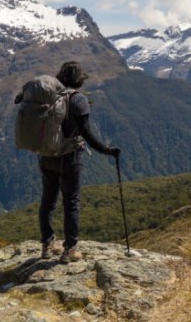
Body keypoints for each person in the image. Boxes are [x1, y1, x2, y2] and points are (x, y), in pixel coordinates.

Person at [37, 61, 120, 263]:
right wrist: (106, 150)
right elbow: (86, 133)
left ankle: (47, 245)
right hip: (69, 157)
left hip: (46, 154)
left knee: (48, 200)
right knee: (71, 202)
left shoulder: (48, 95)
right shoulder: (78, 99)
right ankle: (70, 249)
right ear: (78, 79)